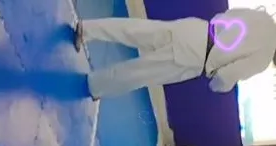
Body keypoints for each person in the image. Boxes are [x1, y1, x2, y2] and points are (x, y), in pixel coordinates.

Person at [74, 10, 276, 100]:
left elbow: (225, 17)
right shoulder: (263, 57)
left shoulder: (264, 19)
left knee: (135, 30)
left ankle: (88, 29)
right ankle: (97, 85)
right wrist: (217, 85)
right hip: (196, 57)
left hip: (196, 29)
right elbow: (227, 75)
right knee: (139, 73)